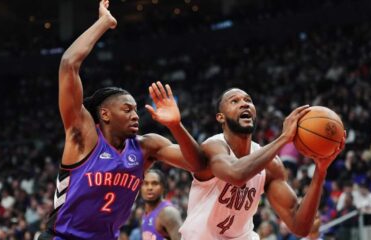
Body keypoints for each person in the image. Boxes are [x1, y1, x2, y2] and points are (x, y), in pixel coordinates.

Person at [38, 1, 204, 239]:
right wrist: (103, 22)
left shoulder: (147, 146)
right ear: (105, 114)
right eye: (127, 109)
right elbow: (68, 65)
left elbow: (198, 165)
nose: (135, 115)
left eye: (136, 110)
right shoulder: (82, 135)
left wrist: (176, 126)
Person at [179, 88, 345, 239]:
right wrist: (283, 138)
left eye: (248, 100)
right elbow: (236, 175)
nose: (244, 104)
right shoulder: (214, 147)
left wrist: (320, 171)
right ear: (220, 117)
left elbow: (300, 226)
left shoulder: (271, 164)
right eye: (234, 101)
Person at [141, 169, 182, 240]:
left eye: (154, 183)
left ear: (163, 188)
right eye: (145, 183)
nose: (149, 188)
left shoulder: (168, 212)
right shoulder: (145, 212)